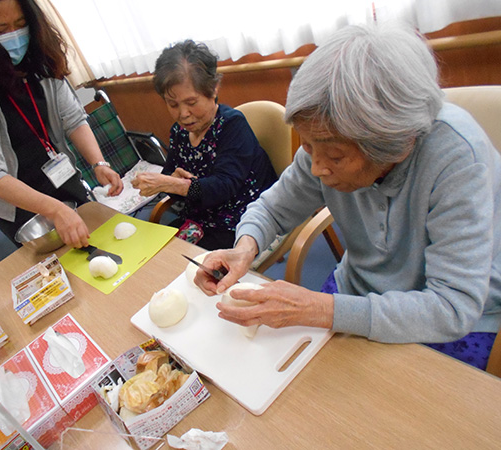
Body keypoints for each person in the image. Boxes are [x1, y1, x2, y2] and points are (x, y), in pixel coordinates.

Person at [195, 23, 501, 371]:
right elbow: (273, 207)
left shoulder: (457, 158)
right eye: (308, 147)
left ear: (395, 146)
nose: (316, 168)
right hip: (357, 291)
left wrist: (322, 310)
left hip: (448, 319)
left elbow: (452, 309)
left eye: (335, 157)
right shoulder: (325, 142)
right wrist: (245, 246)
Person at [0, 0, 123, 248]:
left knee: (104, 242)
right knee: (61, 269)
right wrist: (54, 210)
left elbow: (73, 117)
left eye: (21, 24)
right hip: (16, 201)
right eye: (0, 29)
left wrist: (99, 164)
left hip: (58, 174)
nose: (14, 36)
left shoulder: (36, 51)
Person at [131, 40, 277, 251]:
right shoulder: (179, 132)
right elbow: (170, 176)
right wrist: (170, 181)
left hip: (241, 222)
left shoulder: (231, 124)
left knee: (185, 273)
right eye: (172, 104)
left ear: (213, 88)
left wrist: (173, 185)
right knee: (152, 256)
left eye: (191, 103)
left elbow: (224, 186)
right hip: (199, 219)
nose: (183, 114)